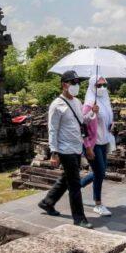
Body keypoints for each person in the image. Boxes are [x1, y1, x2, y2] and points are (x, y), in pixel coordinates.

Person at [38, 70, 94, 228]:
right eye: (73, 83)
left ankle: (47, 202)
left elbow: (81, 121)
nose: (77, 85)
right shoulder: (57, 105)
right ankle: (79, 218)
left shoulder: (77, 102)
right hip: (64, 149)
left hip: (76, 147)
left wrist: (91, 114)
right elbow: (52, 129)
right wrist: (54, 152)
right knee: (75, 184)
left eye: (78, 83)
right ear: (64, 84)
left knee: (66, 179)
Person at [81, 75, 113, 216]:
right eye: (98, 85)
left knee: (100, 172)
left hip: (104, 141)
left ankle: (77, 185)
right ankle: (98, 204)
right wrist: (87, 147)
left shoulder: (105, 102)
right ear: (92, 86)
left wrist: (111, 124)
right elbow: (82, 125)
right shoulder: (89, 104)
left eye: (104, 85)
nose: (102, 88)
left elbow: (107, 121)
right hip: (93, 144)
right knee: (100, 173)